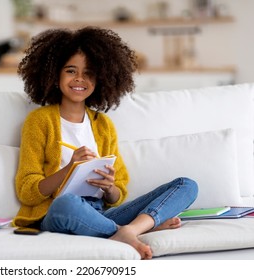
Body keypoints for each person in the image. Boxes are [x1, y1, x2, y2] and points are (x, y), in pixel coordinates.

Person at [13, 26, 198, 259]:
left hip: (101, 214)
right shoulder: (39, 121)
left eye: (89, 73)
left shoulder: (103, 125)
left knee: (187, 185)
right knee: (67, 203)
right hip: (60, 212)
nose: (80, 79)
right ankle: (131, 231)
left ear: (100, 78)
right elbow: (27, 192)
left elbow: (117, 194)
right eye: (71, 71)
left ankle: (129, 229)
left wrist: (109, 186)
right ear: (54, 74)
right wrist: (70, 168)